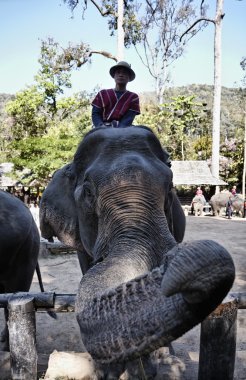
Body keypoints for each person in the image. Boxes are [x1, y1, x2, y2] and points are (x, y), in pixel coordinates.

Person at [91, 61, 140, 128]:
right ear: (114, 76)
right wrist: (100, 126)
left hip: (124, 129)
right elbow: (95, 113)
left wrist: (118, 131)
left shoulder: (133, 97)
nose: (121, 75)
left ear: (129, 77)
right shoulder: (102, 94)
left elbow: (129, 118)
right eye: (118, 72)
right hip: (102, 128)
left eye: (124, 73)